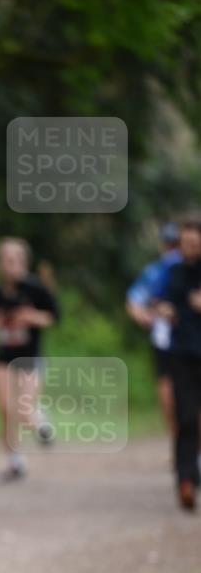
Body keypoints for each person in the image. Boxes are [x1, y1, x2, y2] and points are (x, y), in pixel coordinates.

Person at [0, 238, 60, 481]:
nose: (8, 265)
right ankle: (14, 462)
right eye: (3, 260)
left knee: (24, 410)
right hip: (2, 358)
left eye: (13, 260)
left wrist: (30, 317)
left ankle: (40, 420)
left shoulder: (36, 289)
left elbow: (54, 317)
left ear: (23, 262)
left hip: (30, 357)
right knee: (4, 409)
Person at [156, 219, 201, 511]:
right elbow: (157, 301)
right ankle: (185, 480)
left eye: (195, 244)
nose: (190, 248)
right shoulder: (171, 272)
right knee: (184, 417)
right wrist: (165, 309)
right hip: (182, 353)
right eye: (186, 243)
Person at [126, 223, 181, 435]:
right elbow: (135, 301)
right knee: (169, 387)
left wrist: (143, 315)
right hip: (166, 338)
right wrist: (146, 317)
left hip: (180, 338)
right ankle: (181, 442)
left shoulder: (159, 269)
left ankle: (183, 443)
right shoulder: (158, 271)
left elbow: (134, 301)